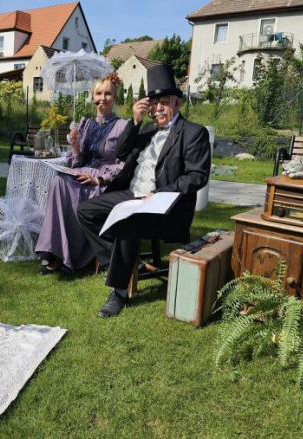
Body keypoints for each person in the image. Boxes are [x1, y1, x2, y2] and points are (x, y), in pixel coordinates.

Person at [77, 64, 211, 318]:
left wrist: (161, 193)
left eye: (164, 102)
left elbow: (197, 176)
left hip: (167, 207)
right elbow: (122, 153)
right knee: (86, 210)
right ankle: (119, 261)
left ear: (178, 104)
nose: (158, 108)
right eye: (153, 103)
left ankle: (118, 292)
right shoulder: (147, 128)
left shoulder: (194, 133)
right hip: (132, 195)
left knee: (128, 224)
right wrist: (135, 122)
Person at [35, 74, 128, 275]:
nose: (103, 98)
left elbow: (123, 164)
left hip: (102, 180)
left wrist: (99, 178)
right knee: (59, 182)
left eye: (108, 94)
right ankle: (55, 252)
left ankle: (72, 256)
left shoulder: (123, 126)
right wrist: (76, 146)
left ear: (115, 97)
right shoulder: (85, 124)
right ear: (93, 97)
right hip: (81, 173)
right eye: (99, 93)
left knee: (69, 190)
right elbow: (77, 161)